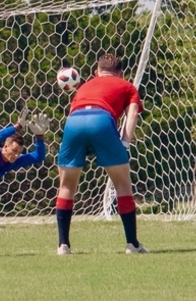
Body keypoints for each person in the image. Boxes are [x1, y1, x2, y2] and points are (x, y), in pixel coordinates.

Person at [55, 54, 147, 256]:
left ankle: (63, 245)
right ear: (121, 74)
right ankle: (132, 244)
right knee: (122, 184)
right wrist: (124, 143)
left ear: (96, 72)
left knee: (67, 186)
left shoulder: (84, 86)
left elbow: (72, 113)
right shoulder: (128, 86)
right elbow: (132, 115)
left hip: (74, 122)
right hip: (102, 120)